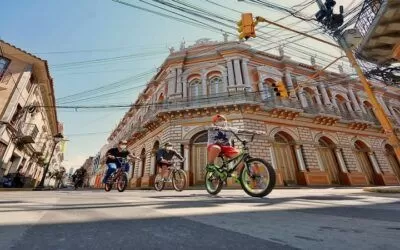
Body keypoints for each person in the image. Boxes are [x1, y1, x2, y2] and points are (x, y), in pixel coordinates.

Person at [207, 114, 263, 182]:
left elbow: (241, 131)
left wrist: (255, 132)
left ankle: (239, 175)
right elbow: (210, 128)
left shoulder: (230, 129)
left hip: (226, 148)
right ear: (214, 122)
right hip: (214, 146)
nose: (222, 121)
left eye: (223, 120)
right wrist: (217, 128)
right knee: (217, 148)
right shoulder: (212, 128)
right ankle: (210, 165)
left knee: (241, 156)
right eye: (219, 120)